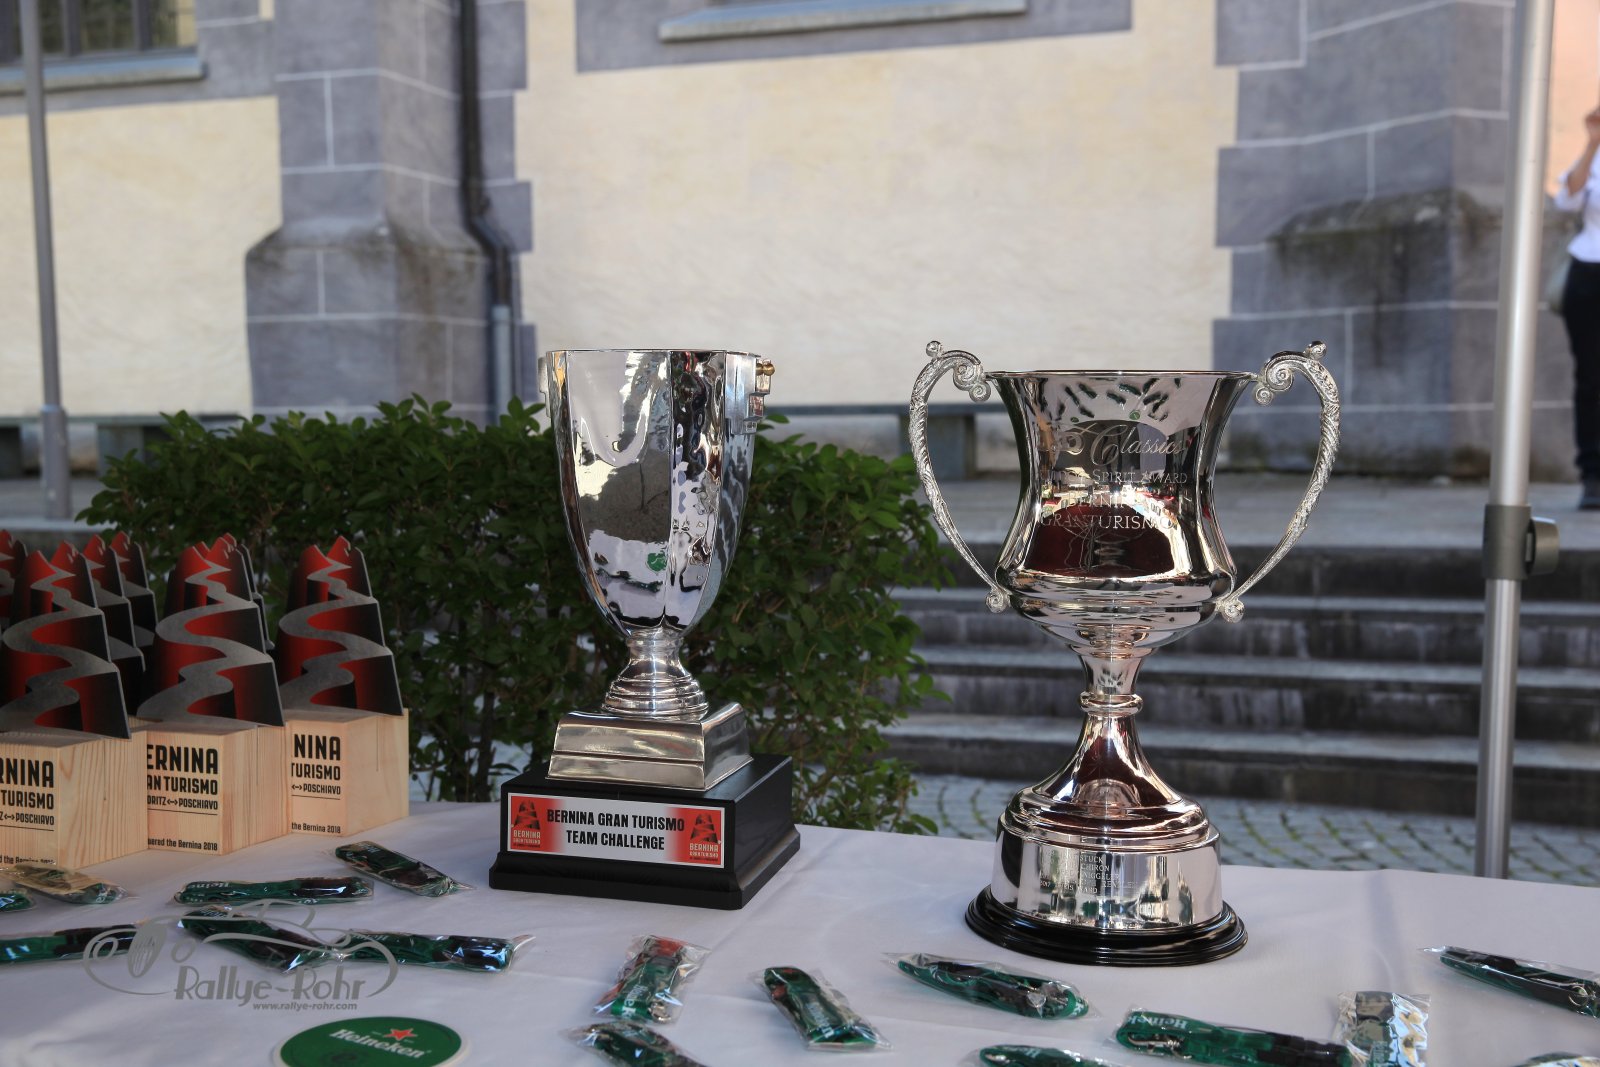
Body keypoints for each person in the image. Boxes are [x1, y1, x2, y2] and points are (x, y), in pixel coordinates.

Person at [1555, 102, 1600, 509]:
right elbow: (1566, 201)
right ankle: (1593, 475)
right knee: (1591, 378)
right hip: (1589, 272)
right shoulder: (1594, 158)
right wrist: (1592, 143)